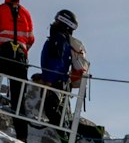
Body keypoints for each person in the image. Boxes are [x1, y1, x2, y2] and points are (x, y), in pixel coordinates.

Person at [32, 8, 89, 136]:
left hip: (56, 82)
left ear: (62, 22)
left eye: (56, 20)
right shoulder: (62, 39)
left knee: (52, 111)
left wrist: (48, 81)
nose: (53, 22)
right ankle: (72, 139)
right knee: (60, 115)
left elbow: (56, 62)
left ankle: (68, 141)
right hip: (61, 81)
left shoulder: (58, 39)